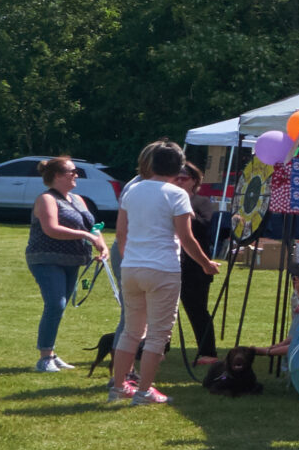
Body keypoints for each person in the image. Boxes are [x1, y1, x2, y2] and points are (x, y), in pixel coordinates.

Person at [108, 142, 221, 403]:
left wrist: (130, 259)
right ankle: (145, 390)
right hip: (162, 268)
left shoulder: (132, 190)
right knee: (158, 334)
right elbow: (187, 238)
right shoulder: (177, 194)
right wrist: (206, 264)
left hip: (132, 267)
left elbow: (121, 233)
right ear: (178, 166)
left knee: (131, 331)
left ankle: (118, 387)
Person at [25, 156, 109, 372]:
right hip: (46, 258)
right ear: (57, 176)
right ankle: (44, 358)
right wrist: (85, 235)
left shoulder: (78, 199)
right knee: (56, 304)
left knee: (59, 308)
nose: (76, 175)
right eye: (72, 171)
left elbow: (93, 226)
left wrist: (101, 244)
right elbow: (51, 228)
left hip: (73, 260)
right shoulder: (46, 199)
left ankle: (51, 354)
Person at [171, 162, 223, 361]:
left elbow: (203, 226)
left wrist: (184, 215)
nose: (179, 181)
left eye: (184, 177)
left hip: (196, 265)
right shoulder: (169, 200)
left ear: (194, 181)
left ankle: (207, 352)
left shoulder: (202, 202)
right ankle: (159, 349)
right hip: (170, 261)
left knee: (197, 309)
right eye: (176, 177)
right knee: (163, 309)